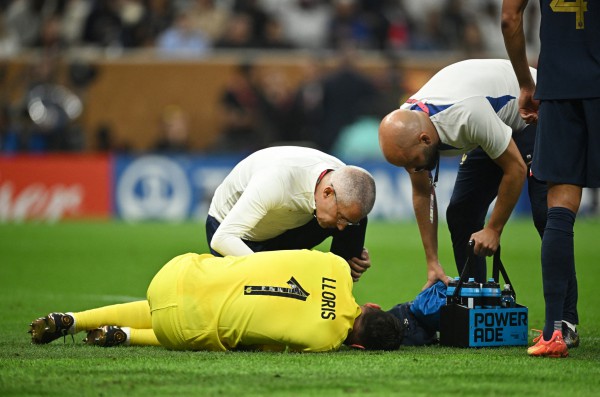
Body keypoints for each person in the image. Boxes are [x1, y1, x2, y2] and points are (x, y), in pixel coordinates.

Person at [378, 59, 547, 289]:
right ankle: (475, 303)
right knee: (462, 214)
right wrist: (432, 262)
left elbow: (515, 169)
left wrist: (493, 229)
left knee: (545, 216)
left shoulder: (465, 115)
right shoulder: (407, 130)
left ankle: (563, 317)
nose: (413, 170)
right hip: (492, 118)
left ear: (425, 139)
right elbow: (422, 192)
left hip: (534, 108)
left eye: (413, 163)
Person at [28, 250, 403, 352]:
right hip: (180, 329)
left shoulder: (335, 265)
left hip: (175, 275)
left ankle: (73, 319)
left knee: (163, 303)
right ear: (357, 343)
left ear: (371, 306)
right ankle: (125, 335)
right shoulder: (324, 343)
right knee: (228, 333)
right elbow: (270, 344)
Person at [501, 0, 599, 358]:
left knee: (560, 204)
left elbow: (510, 18)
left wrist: (527, 83)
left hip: (558, 89)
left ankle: (556, 331)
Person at [206, 146, 375, 281]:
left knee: (356, 219)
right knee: (261, 298)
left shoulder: (341, 179)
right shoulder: (276, 180)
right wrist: (274, 275)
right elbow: (222, 239)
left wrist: (352, 252)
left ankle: (337, 290)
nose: (341, 226)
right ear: (327, 193)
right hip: (236, 232)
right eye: (340, 218)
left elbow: (348, 215)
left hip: (287, 224)